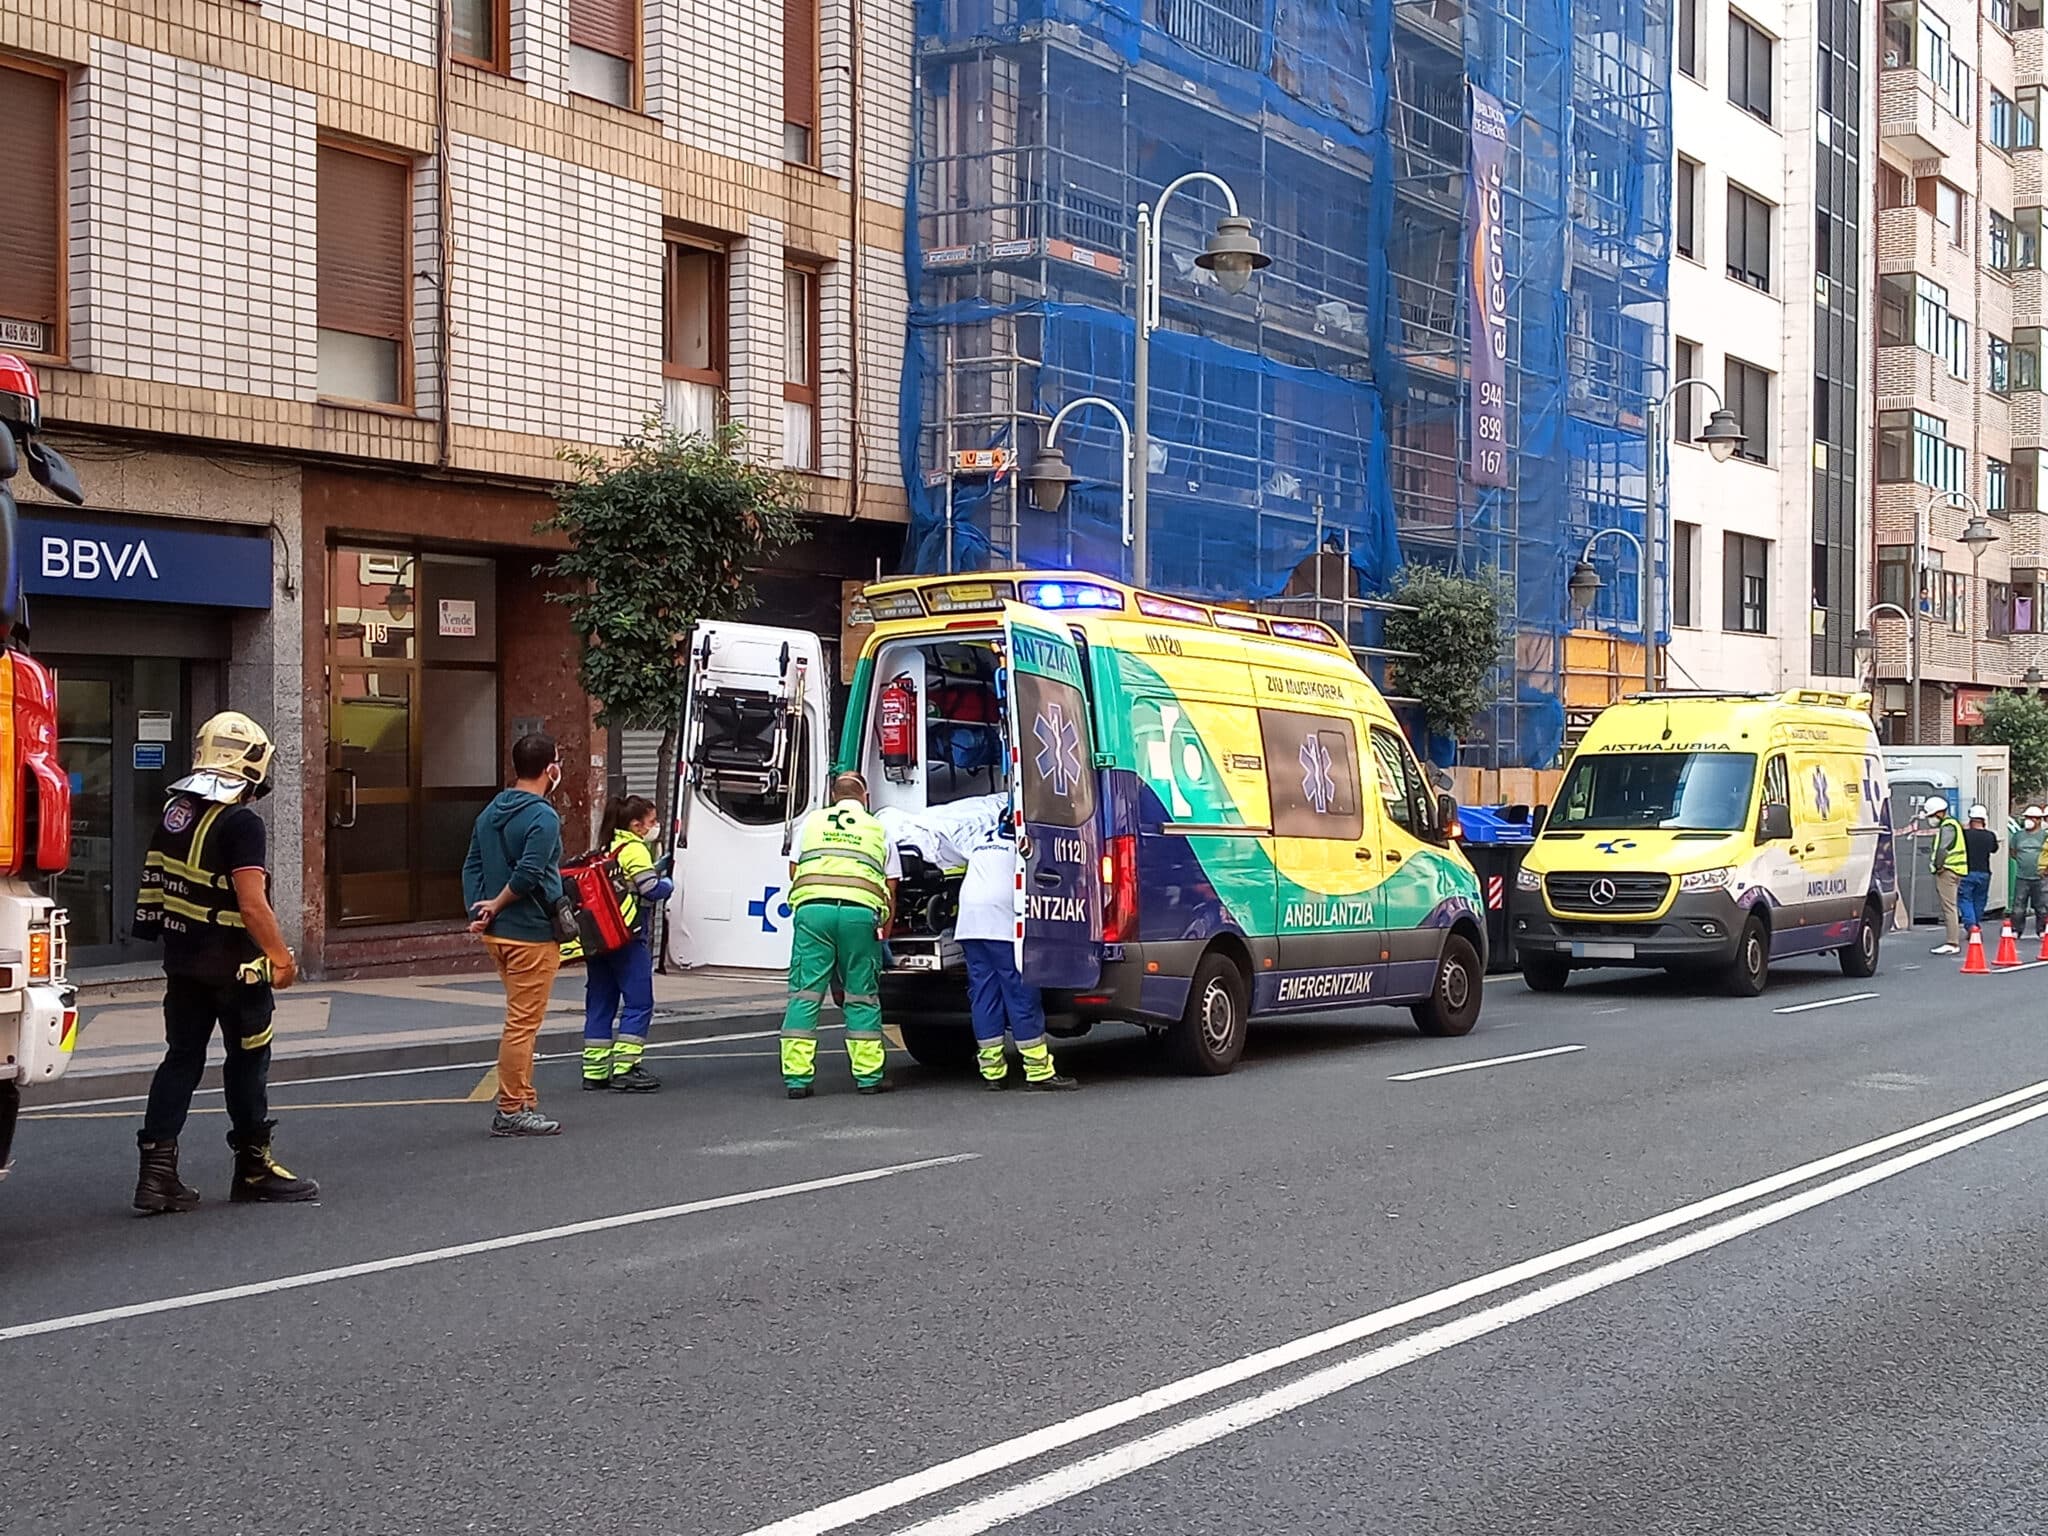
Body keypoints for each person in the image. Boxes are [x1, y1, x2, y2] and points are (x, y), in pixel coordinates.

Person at [131, 711, 316, 1213]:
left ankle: (157, 1174)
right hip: (237, 969)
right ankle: (254, 1168)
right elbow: (252, 904)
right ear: (248, 763)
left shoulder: (177, 811)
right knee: (248, 1062)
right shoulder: (241, 821)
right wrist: (281, 958)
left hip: (183, 962)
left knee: (181, 1059)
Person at [463, 733, 568, 1137]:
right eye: (558, 761)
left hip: (499, 935)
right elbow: (527, 874)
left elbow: (472, 863)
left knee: (522, 1019)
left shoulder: (492, 811)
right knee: (522, 1024)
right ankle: (511, 1109)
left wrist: (480, 909)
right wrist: (498, 903)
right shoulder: (542, 817)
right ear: (550, 769)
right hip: (531, 932)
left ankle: (524, 1099)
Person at [781, 771, 897, 1098]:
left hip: (813, 913)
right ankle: (868, 1077)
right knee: (861, 994)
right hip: (859, 914)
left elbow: (794, 870)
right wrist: (882, 934)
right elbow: (891, 887)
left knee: (805, 994)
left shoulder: (812, 824)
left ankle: (797, 1079)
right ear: (866, 798)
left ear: (834, 797)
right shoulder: (878, 829)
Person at [955, 816, 1077, 1092]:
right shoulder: (1023, 845)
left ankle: (992, 1072)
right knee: (1021, 993)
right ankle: (1038, 1071)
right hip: (1002, 926)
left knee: (984, 995)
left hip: (970, 926)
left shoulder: (981, 841)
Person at [579, 794, 674, 1093]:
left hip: (600, 940)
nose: (656, 827)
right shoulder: (635, 849)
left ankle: (594, 1071)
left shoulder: (606, 848)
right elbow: (651, 889)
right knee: (639, 1002)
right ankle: (626, 1067)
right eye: (652, 822)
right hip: (628, 938)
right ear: (636, 825)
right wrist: (669, 882)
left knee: (600, 1002)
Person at [1925, 797, 1966, 955]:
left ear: (1940, 813)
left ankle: (1952, 942)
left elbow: (1943, 849)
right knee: (1951, 907)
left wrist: (1938, 866)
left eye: (1932, 815)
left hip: (1947, 871)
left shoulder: (1948, 826)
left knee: (1949, 908)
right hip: (1956, 870)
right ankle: (1952, 942)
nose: (1931, 819)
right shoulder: (1953, 824)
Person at [1960, 804, 2000, 940]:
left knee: (1965, 899)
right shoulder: (1990, 836)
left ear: (1971, 819)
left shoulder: (1964, 835)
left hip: (1967, 871)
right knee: (1980, 900)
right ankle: (1976, 925)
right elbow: (1994, 849)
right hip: (1984, 872)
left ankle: (1971, 925)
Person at [2010, 806, 2047, 939]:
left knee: (2041, 906)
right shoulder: (2018, 836)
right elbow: (2013, 852)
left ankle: (2041, 929)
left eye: (2032, 818)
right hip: (2022, 876)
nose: (2028, 821)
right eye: (2027, 817)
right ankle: (2016, 930)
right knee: (2018, 906)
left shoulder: (2044, 835)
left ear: (2038, 820)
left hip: (2041, 876)